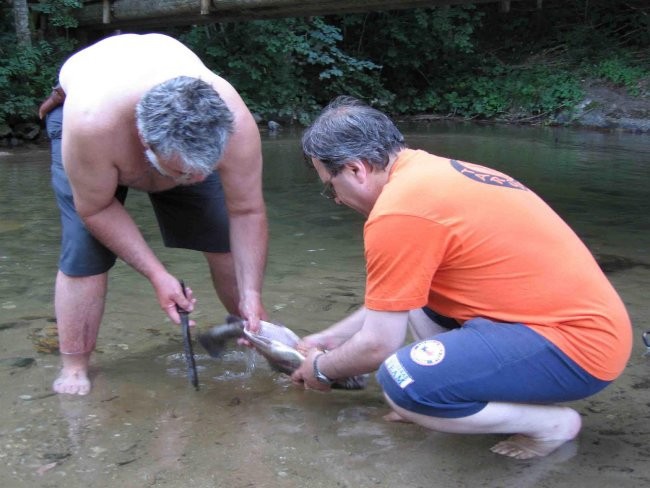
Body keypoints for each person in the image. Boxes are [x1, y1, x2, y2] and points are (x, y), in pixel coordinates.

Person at [291, 96, 632, 459]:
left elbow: (379, 345)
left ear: (356, 170)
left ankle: (549, 426)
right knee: (421, 306)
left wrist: (320, 370)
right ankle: (451, 397)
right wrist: (331, 337)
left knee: (401, 382)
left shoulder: (399, 212)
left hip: (578, 350)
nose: (337, 199)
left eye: (331, 186)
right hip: (582, 329)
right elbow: (394, 300)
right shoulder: (431, 173)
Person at [41, 33, 268, 396]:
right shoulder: (92, 124)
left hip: (178, 128)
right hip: (88, 106)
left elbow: (248, 210)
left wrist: (252, 292)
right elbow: (95, 208)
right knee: (84, 252)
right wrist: (157, 275)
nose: (194, 181)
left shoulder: (234, 122)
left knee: (222, 233)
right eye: (183, 174)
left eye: (203, 171)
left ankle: (251, 327)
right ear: (145, 143)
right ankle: (75, 365)